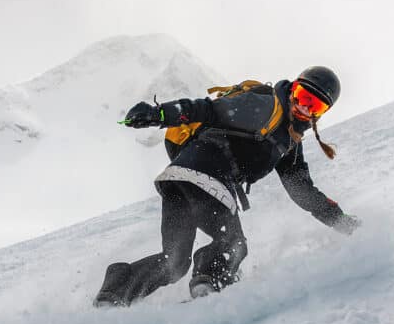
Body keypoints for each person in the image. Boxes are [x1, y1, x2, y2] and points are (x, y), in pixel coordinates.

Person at [93, 66, 360, 307]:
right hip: (206, 174)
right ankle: (208, 285)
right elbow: (207, 110)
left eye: (315, 106)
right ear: (293, 88)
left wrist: (341, 221)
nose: (304, 108)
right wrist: (159, 113)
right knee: (234, 244)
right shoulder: (264, 104)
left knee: (173, 263)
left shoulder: (289, 145)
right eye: (303, 96)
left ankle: (115, 291)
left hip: (178, 180)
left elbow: (302, 191)